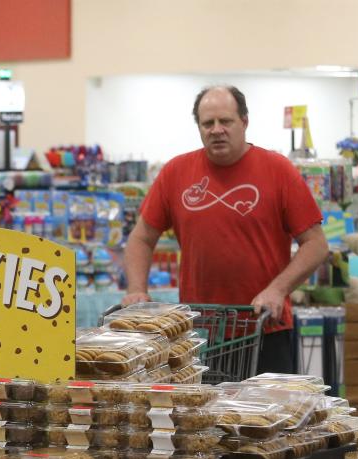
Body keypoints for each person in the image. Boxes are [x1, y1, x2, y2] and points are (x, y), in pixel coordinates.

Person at [122, 85, 329, 373]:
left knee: (269, 417)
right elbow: (141, 238)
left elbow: (316, 244)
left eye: (225, 121)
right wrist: (136, 291)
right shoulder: (175, 173)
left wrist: (277, 289)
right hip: (200, 334)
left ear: (244, 122)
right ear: (199, 127)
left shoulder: (278, 170)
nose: (216, 130)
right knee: (202, 418)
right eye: (208, 123)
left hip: (264, 328)